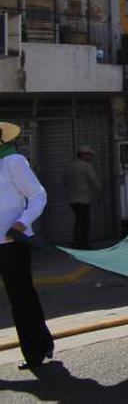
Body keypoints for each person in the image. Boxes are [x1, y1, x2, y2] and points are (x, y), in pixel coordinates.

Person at [0, 120, 54, 371]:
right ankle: (41, 342)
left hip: (12, 242)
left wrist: (22, 223)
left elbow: (37, 195)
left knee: (21, 298)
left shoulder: (14, 161)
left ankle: (36, 349)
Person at [63, 145, 102, 249]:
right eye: (89, 154)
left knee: (79, 221)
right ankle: (81, 243)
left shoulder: (70, 166)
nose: (91, 157)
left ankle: (77, 242)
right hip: (83, 199)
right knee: (84, 222)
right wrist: (100, 191)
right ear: (83, 155)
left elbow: (65, 182)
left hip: (72, 199)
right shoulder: (86, 166)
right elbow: (94, 180)